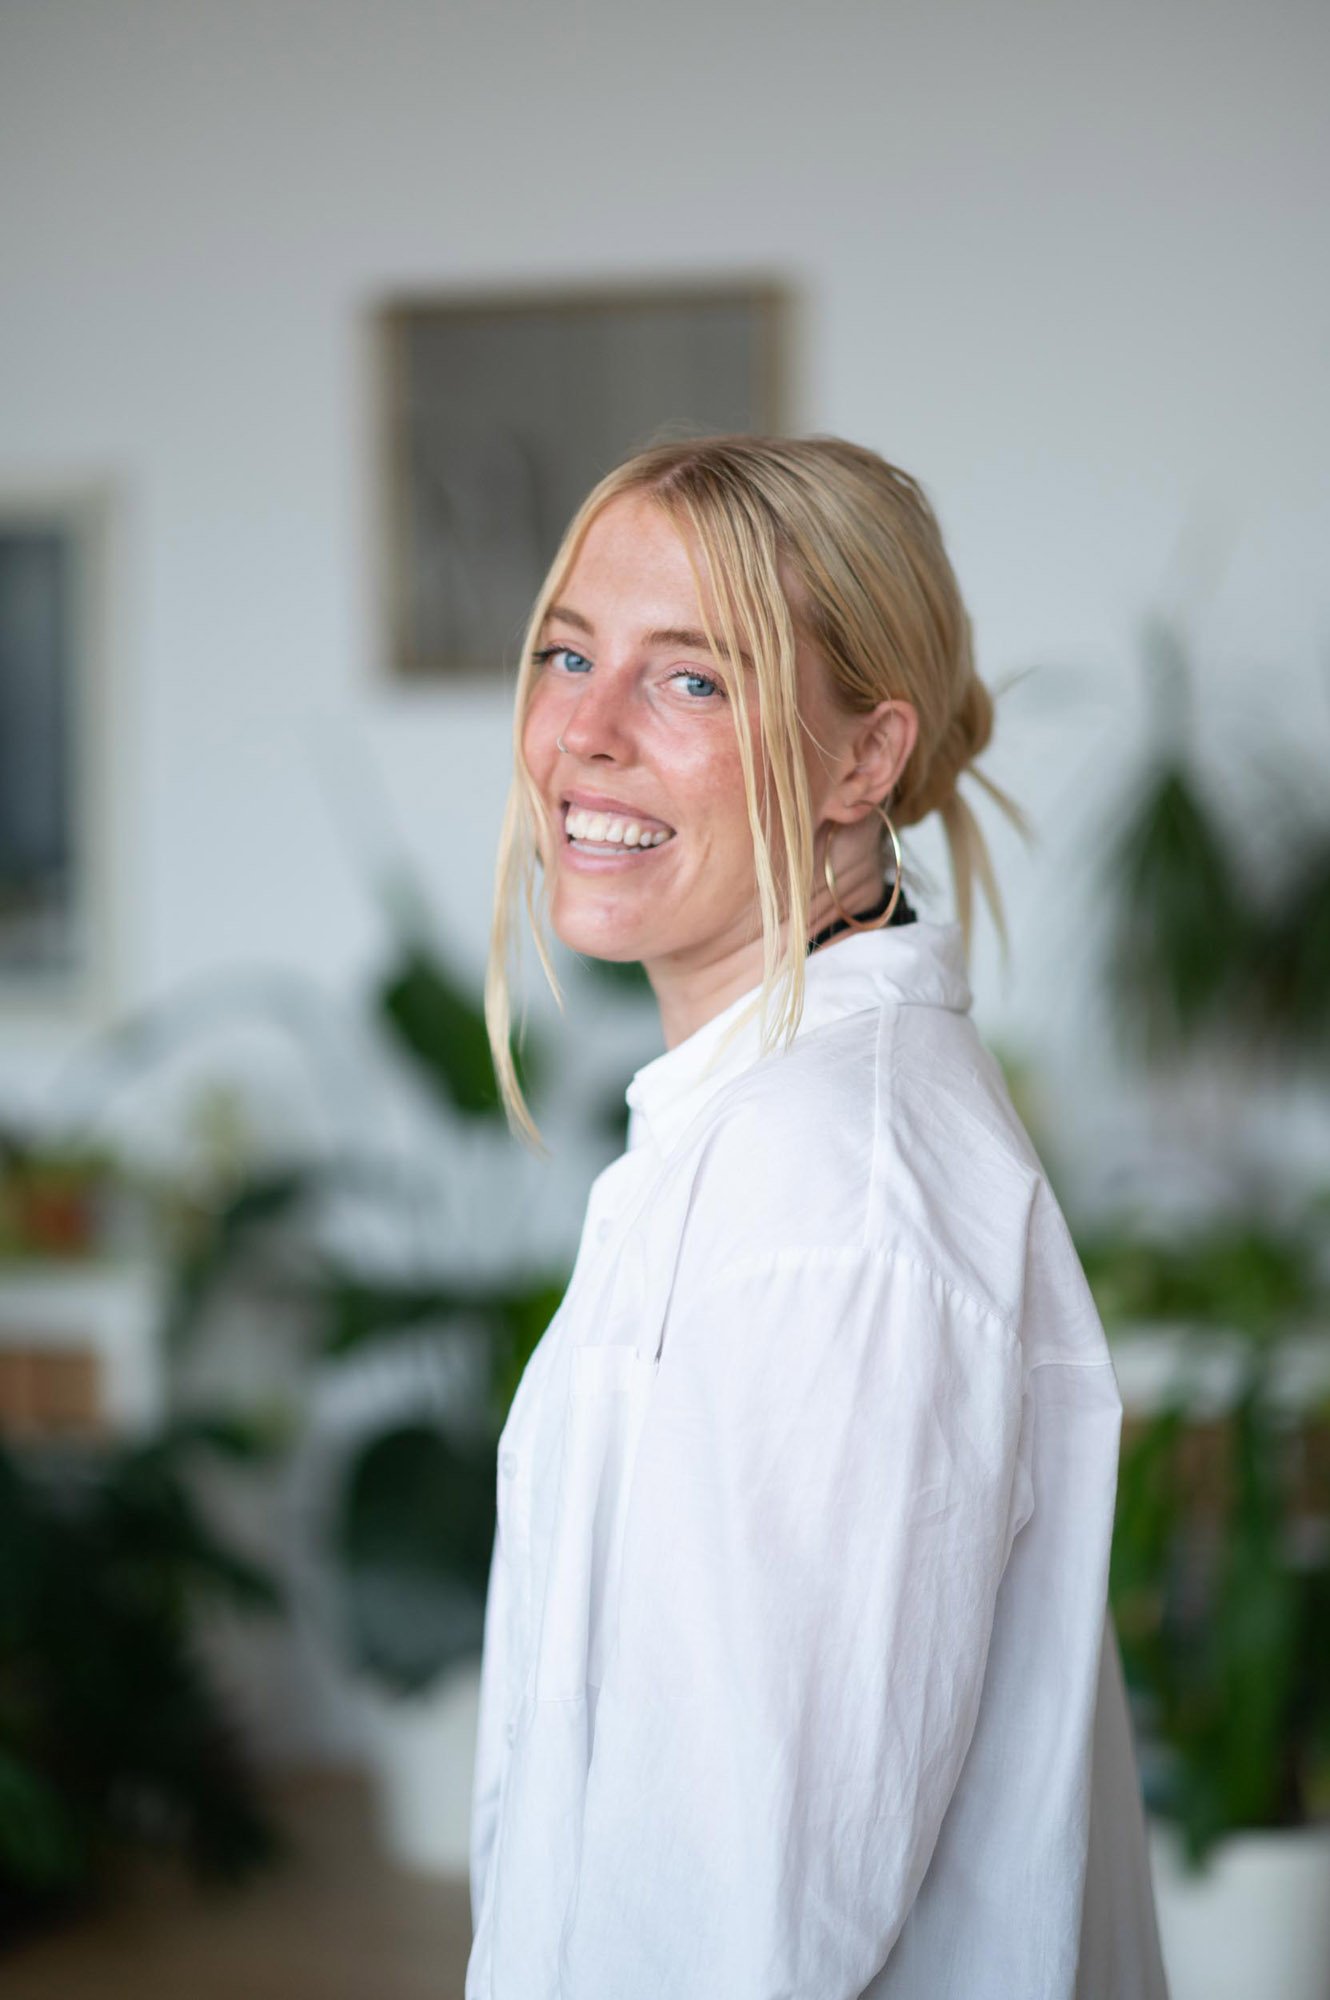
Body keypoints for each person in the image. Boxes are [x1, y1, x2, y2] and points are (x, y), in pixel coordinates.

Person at [467, 435, 1169, 1998]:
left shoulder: (822, 1207)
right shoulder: (761, 1125)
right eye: (569, 653)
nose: (579, 733)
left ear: (863, 763)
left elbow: (740, 1930)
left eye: (690, 681)